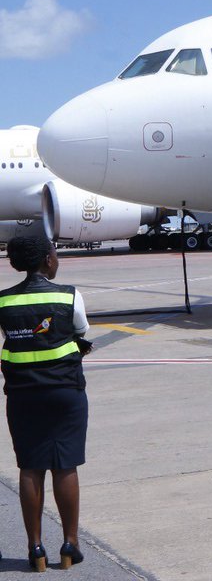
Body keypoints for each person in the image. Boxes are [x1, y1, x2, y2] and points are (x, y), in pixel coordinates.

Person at [0, 235, 90, 571]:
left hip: (23, 393)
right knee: (65, 464)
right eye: (54, 252)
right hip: (65, 391)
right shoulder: (69, 295)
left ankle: (35, 547)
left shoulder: (4, 301)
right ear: (46, 260)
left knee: (30, 466)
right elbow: (82, 332)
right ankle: (70, 543)